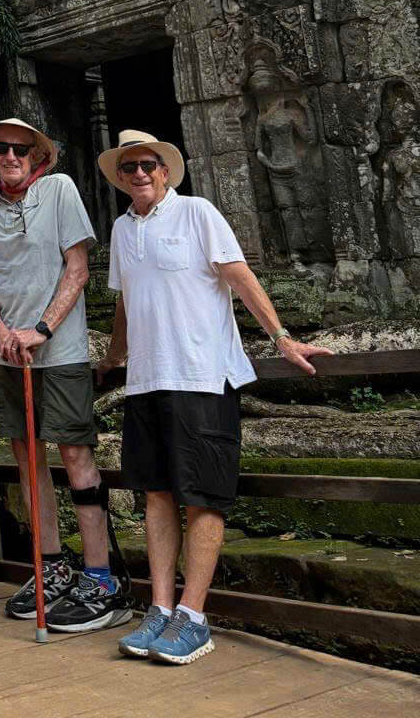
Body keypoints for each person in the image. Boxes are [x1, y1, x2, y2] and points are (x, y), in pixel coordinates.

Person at [97, 129, 331, 666]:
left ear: (165, 171)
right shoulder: (121, 229)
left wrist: (281, 339)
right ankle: (158, 609)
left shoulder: (198, 212)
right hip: (147, 381)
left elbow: (239, 276)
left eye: (148, 165)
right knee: (156, 494)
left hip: (201, 377)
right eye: (129, 167)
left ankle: (193, 617)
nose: (139, 174)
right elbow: (127, 304)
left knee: (203, 496)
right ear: (120, 177)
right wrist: (114, 358)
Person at [0, 116, 131, 634]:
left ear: (35, 155)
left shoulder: (59, 190)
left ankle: (102, 576)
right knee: (24, 451)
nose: (11, 157)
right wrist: (1, 332)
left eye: (20, 149)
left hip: (56, 349)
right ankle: (52, 567)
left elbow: (77, 269)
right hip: (0, 351)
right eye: (1, 149)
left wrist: (39, 329)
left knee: (75, 451)